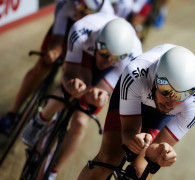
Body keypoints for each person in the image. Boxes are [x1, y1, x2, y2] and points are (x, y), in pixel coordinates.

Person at [21, 12, 142, 179]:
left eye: (113, 58)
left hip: (113, 71)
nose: (107, 61)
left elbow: (104, 91)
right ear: (99, 43)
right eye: (105, 54)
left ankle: (53, 170)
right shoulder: (82, 32)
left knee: (80, 121)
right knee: (72, 88)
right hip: (84, 54)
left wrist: (99, 96)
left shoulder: (133, 58)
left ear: (122, 56)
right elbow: (68, 73)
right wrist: (72, 83)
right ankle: (41, 119)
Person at [78, 44, 195, 180]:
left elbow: (153, 152)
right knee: (107, 159)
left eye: (180, 97)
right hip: (134, 95)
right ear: (155, 79)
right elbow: (128, 132)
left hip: (160, 117)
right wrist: (132, 138)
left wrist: (160, 152)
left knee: (141, 172)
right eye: (166, 91)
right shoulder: (136, 72)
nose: (170, 103)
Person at [0, 0, 114, 134]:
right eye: (79, 8)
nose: (79, 13)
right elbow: (58, 36)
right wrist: (53, 52)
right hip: (68, 26)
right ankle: (12, 113)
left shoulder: (106, 15)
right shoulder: (66, 4)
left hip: (89, 40)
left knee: (76, 77)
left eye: (85, 12)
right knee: (43, 64)